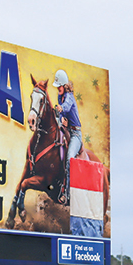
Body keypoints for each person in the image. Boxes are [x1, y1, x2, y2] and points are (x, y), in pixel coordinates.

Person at [53, 69, 82, 205]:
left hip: (75, 134)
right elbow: (61, 115)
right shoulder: (60, 97)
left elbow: (66, 107)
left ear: (64, 86)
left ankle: (68, 195)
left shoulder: (69, 96)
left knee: (70, 158)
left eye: (59, 86)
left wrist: (61, 109)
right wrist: (61, 120)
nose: (57, 88)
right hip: (66, 129)